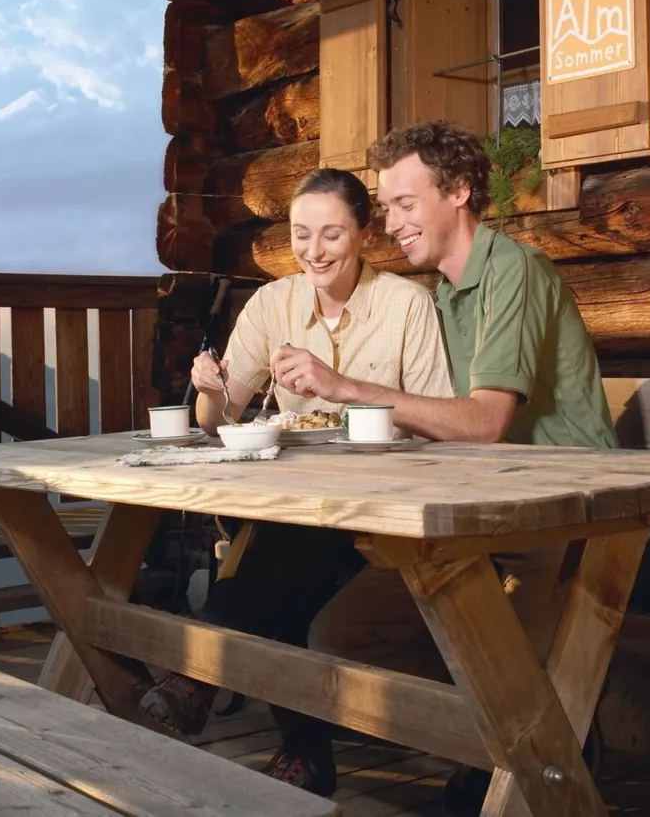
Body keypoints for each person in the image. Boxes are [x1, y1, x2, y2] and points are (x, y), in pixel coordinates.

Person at [259, 120, 619, 806]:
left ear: (457, 191)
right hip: (485, 505)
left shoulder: (513, 269)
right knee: (338, 636)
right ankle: (510, 743)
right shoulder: (445, 296)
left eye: (403, 202)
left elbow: (484, 423)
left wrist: (345, 387)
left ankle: (525, 758)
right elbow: (445, 426)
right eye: (386, 206)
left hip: (566, 510)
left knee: (495, 654)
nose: (390, 223)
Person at [136, 167, 454, 796]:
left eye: (332, 234)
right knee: (287, 559)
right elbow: (224, 415)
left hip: (385, 500)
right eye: (301, 234)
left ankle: (206, 671)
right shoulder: (272, 303)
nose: (314, 251)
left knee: (279, 562)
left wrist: (342, 389)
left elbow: (438, 419)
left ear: (364, 233)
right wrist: (208, 390)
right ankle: (300, 750)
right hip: (300, 499)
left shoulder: (405, 305)